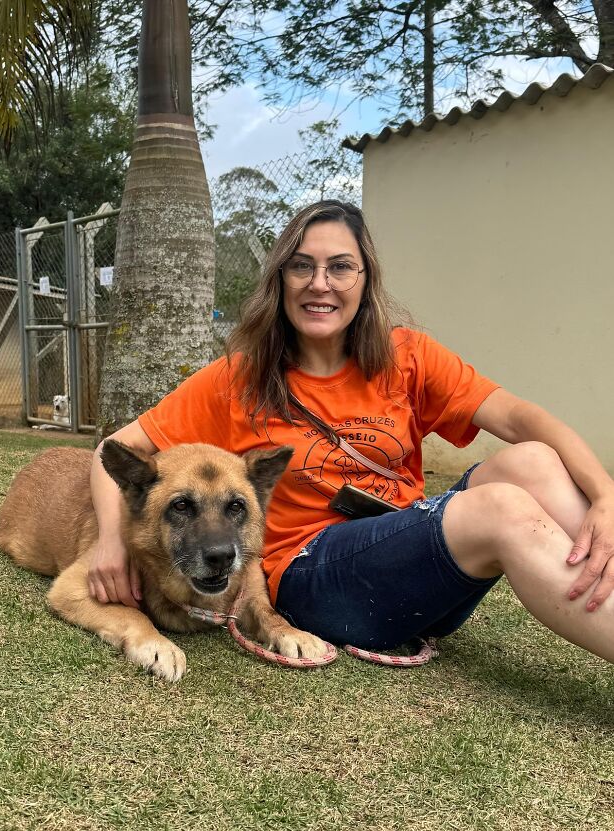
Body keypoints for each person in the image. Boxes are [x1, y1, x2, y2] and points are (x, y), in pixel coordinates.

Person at [88, 200, 614, 663]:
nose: (321, 284)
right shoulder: (238, 378)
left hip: (409, 554)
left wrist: (605, 494)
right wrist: (111, 545)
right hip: (313, 575)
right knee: (501, 508)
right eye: (302, 267)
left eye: (341, 267)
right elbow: (116, 451)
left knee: (534, 464)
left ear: (365, 280)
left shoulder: (406, 354)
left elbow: (522, 419)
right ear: (280, 280)